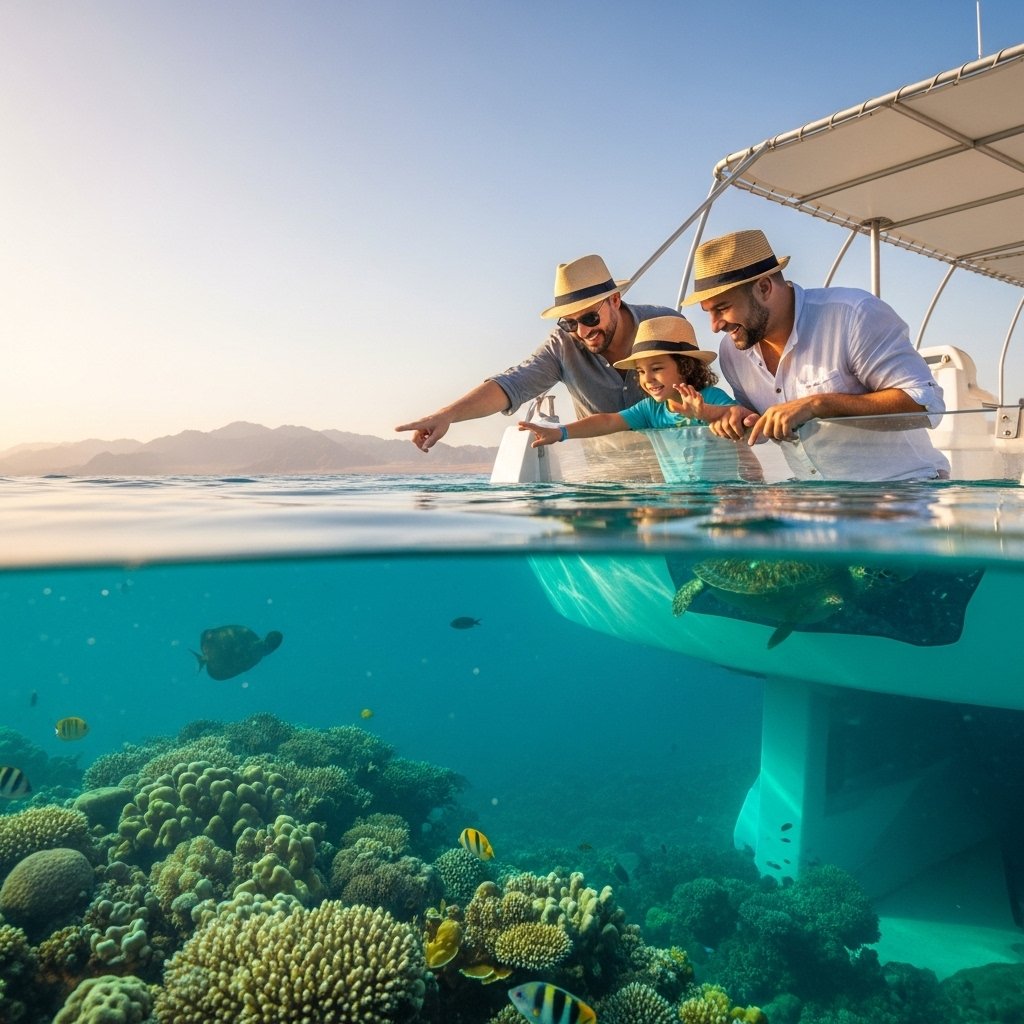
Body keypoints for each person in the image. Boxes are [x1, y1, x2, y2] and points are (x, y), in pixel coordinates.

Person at [681, 229, 950, 481]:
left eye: (723, 308)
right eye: (708, 313)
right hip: (815, 502)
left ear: (764, 288)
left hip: (903, 492)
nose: (715, 326)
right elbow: (766, 423)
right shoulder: (732, 351)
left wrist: (818, 405)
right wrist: (739, 419)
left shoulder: (854, 314)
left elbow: (927, 405)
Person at [395, 254, 684, 452]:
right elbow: (513, 384)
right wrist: (447, 415)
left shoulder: (667, 326)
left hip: (678, 474)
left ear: (615, 299)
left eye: (589, 318)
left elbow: (700, 392)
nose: (581, 332)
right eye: (570, 322)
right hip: (606, 483)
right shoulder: (562, 344)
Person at [517, 316, 735, 446]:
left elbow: (743, 421)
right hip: (679, 496)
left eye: (657, 368)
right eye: (640, 371)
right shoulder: (651, 409)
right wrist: (560, 432)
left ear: (685, 367)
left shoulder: (712, 398)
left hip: (719, 494)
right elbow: (607, 421)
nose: (647, 379)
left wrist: (704, 413)